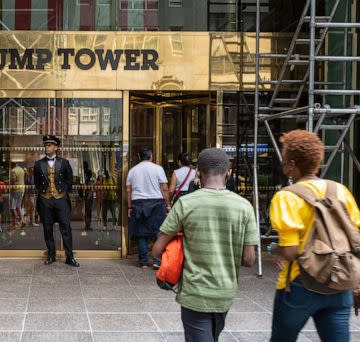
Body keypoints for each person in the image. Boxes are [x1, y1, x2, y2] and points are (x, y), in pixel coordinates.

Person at [152, 148, 258, 342]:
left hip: (195, 293)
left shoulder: (185, 204)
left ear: (198, 173)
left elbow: (157, 250)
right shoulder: (245, 207)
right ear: (229, 172)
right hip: (225, 293)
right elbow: (249, 259)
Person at [268, 130, 359, 341]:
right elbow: (355, 241)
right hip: (338, 283)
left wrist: (273, 249)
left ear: (291, 165)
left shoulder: (286, 197)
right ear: (317, 162)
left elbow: (291, 252)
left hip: (299, 285)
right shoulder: (341, 191)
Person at [34, 135, 79, 267]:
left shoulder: (64, 163)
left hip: (61, 200)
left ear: (55, 147)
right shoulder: (38, 164)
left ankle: (69, 257)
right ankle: (51, 256)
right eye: (45, 145)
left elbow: (70, 180)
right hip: (45, 200)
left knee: (66, 228)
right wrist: (43, 192)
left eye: (49, 145)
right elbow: (36, 182)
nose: (46, 147)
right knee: (47, 229)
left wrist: (63, 191)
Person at [126, 147, 170, 269]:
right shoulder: (158, 169)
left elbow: (128, 190)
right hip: (156, 203)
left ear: (139, 157)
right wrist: (168, 204)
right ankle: (157, 260)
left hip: (138, 203)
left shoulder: (132, 171)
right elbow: (164, 188)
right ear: (151, 156)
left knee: (141, 233)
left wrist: (129, 207)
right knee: (158, 233)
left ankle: (143, 261)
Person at [9, 161, 25, 230]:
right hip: (22, 189)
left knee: (13, 208)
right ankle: (22, 221)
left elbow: (13, 180)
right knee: (18, 206)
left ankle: (16, 223)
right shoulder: (21, 169)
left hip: (15, 190)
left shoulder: (13, 171)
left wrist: (9, 184)